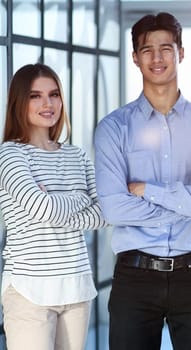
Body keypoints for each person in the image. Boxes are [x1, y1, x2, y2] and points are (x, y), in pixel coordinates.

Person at [94, 12, 191, 350]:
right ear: (136, 58)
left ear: (181, 53)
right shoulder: (113, 128)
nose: (157, 58)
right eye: (147, 50)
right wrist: (189, 201)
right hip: (134, 277)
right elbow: (113, 209)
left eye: (166, 48)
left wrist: (147, 191)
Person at [0, 63, 105, 350]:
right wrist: (81, 198)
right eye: (35, 96)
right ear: (20, 102)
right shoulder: (10, 154)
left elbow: (105, 213)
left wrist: (54, 205)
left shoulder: (77, 155)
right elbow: (41, 209)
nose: (48, 104)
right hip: (29, 291)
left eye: (54, 94)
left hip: (76, 287)